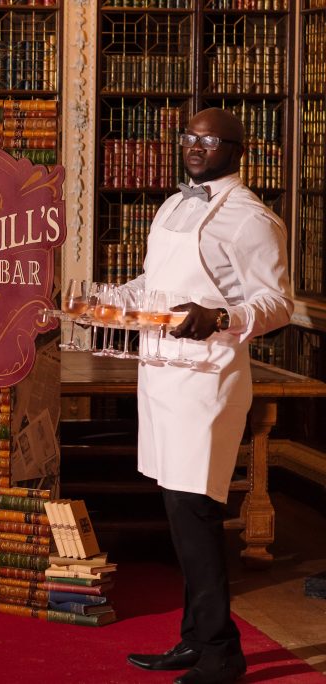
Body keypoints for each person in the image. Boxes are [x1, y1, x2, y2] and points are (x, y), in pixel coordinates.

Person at [122, 108, 293, 684]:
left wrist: (221, 316)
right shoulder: (173, 204)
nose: (195, 146)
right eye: (189, 137)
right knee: (178, 510)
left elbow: (277, 303)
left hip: (207, 379)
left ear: (238, 150)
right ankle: (195, 639)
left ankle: (222, 653)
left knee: (196, 511)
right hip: (159, 373)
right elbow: (155, 286)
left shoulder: (252, 218)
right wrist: (106, 301)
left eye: (210, 139)